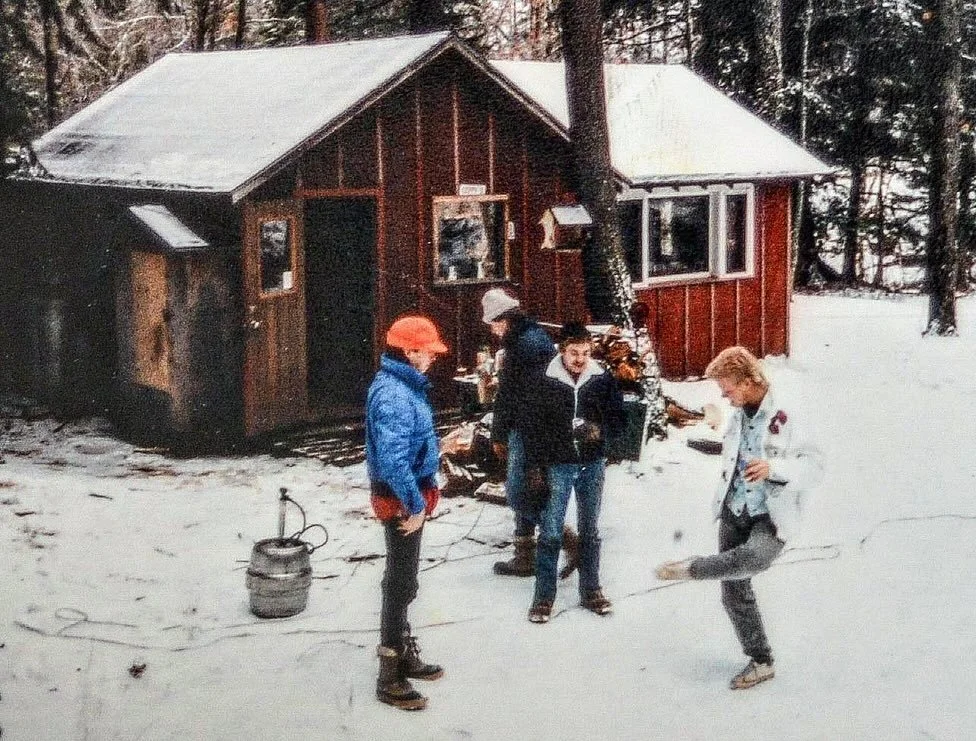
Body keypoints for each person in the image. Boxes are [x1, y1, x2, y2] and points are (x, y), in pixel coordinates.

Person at [654, 346, 824, 690]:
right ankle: (761, 660)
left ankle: (692, 567)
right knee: (733, 592)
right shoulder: (738, 416)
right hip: (734, 510)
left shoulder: (787, 417)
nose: (724, 396)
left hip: (769, 515)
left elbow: (814, 465)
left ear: (748, 381)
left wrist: (774, 468)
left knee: (751, 560)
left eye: (727, 389)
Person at [366, 315, 457, 711]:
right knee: (401, 581)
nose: (433, 358)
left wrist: (440, 447)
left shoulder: (405, 387)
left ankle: (402, 652)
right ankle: (390, 673)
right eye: (428, 352)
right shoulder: (394, 394)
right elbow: (392, 460)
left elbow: (411, 444)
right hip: (401, 497)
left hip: (410, 492)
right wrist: (416, 506)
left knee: (404, 579)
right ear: (409, 352)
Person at [522, 321, 625, 623]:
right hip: (558, 465)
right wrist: (534, 467)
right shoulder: (544, 380)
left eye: (585, 352)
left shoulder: (601, 379)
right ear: (562, 350)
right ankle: (543, 598)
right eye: (573, 353)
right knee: (551, 531)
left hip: (592, 464)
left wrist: (599, 431)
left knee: (590, 530)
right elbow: (531, 428)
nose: (580, 359)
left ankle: (591, 590)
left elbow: (619, 421)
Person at [481, 287, 557, 576]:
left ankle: (565, 539)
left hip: (528, 428)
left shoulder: (521, 348)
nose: (492, 331)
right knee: (530, 488)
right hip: (541, 424)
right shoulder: (534, 338)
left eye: (493, 325)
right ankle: (526, 553)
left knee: (516, 491)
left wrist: (499, 434)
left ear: (503, 319)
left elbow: (509, 396)